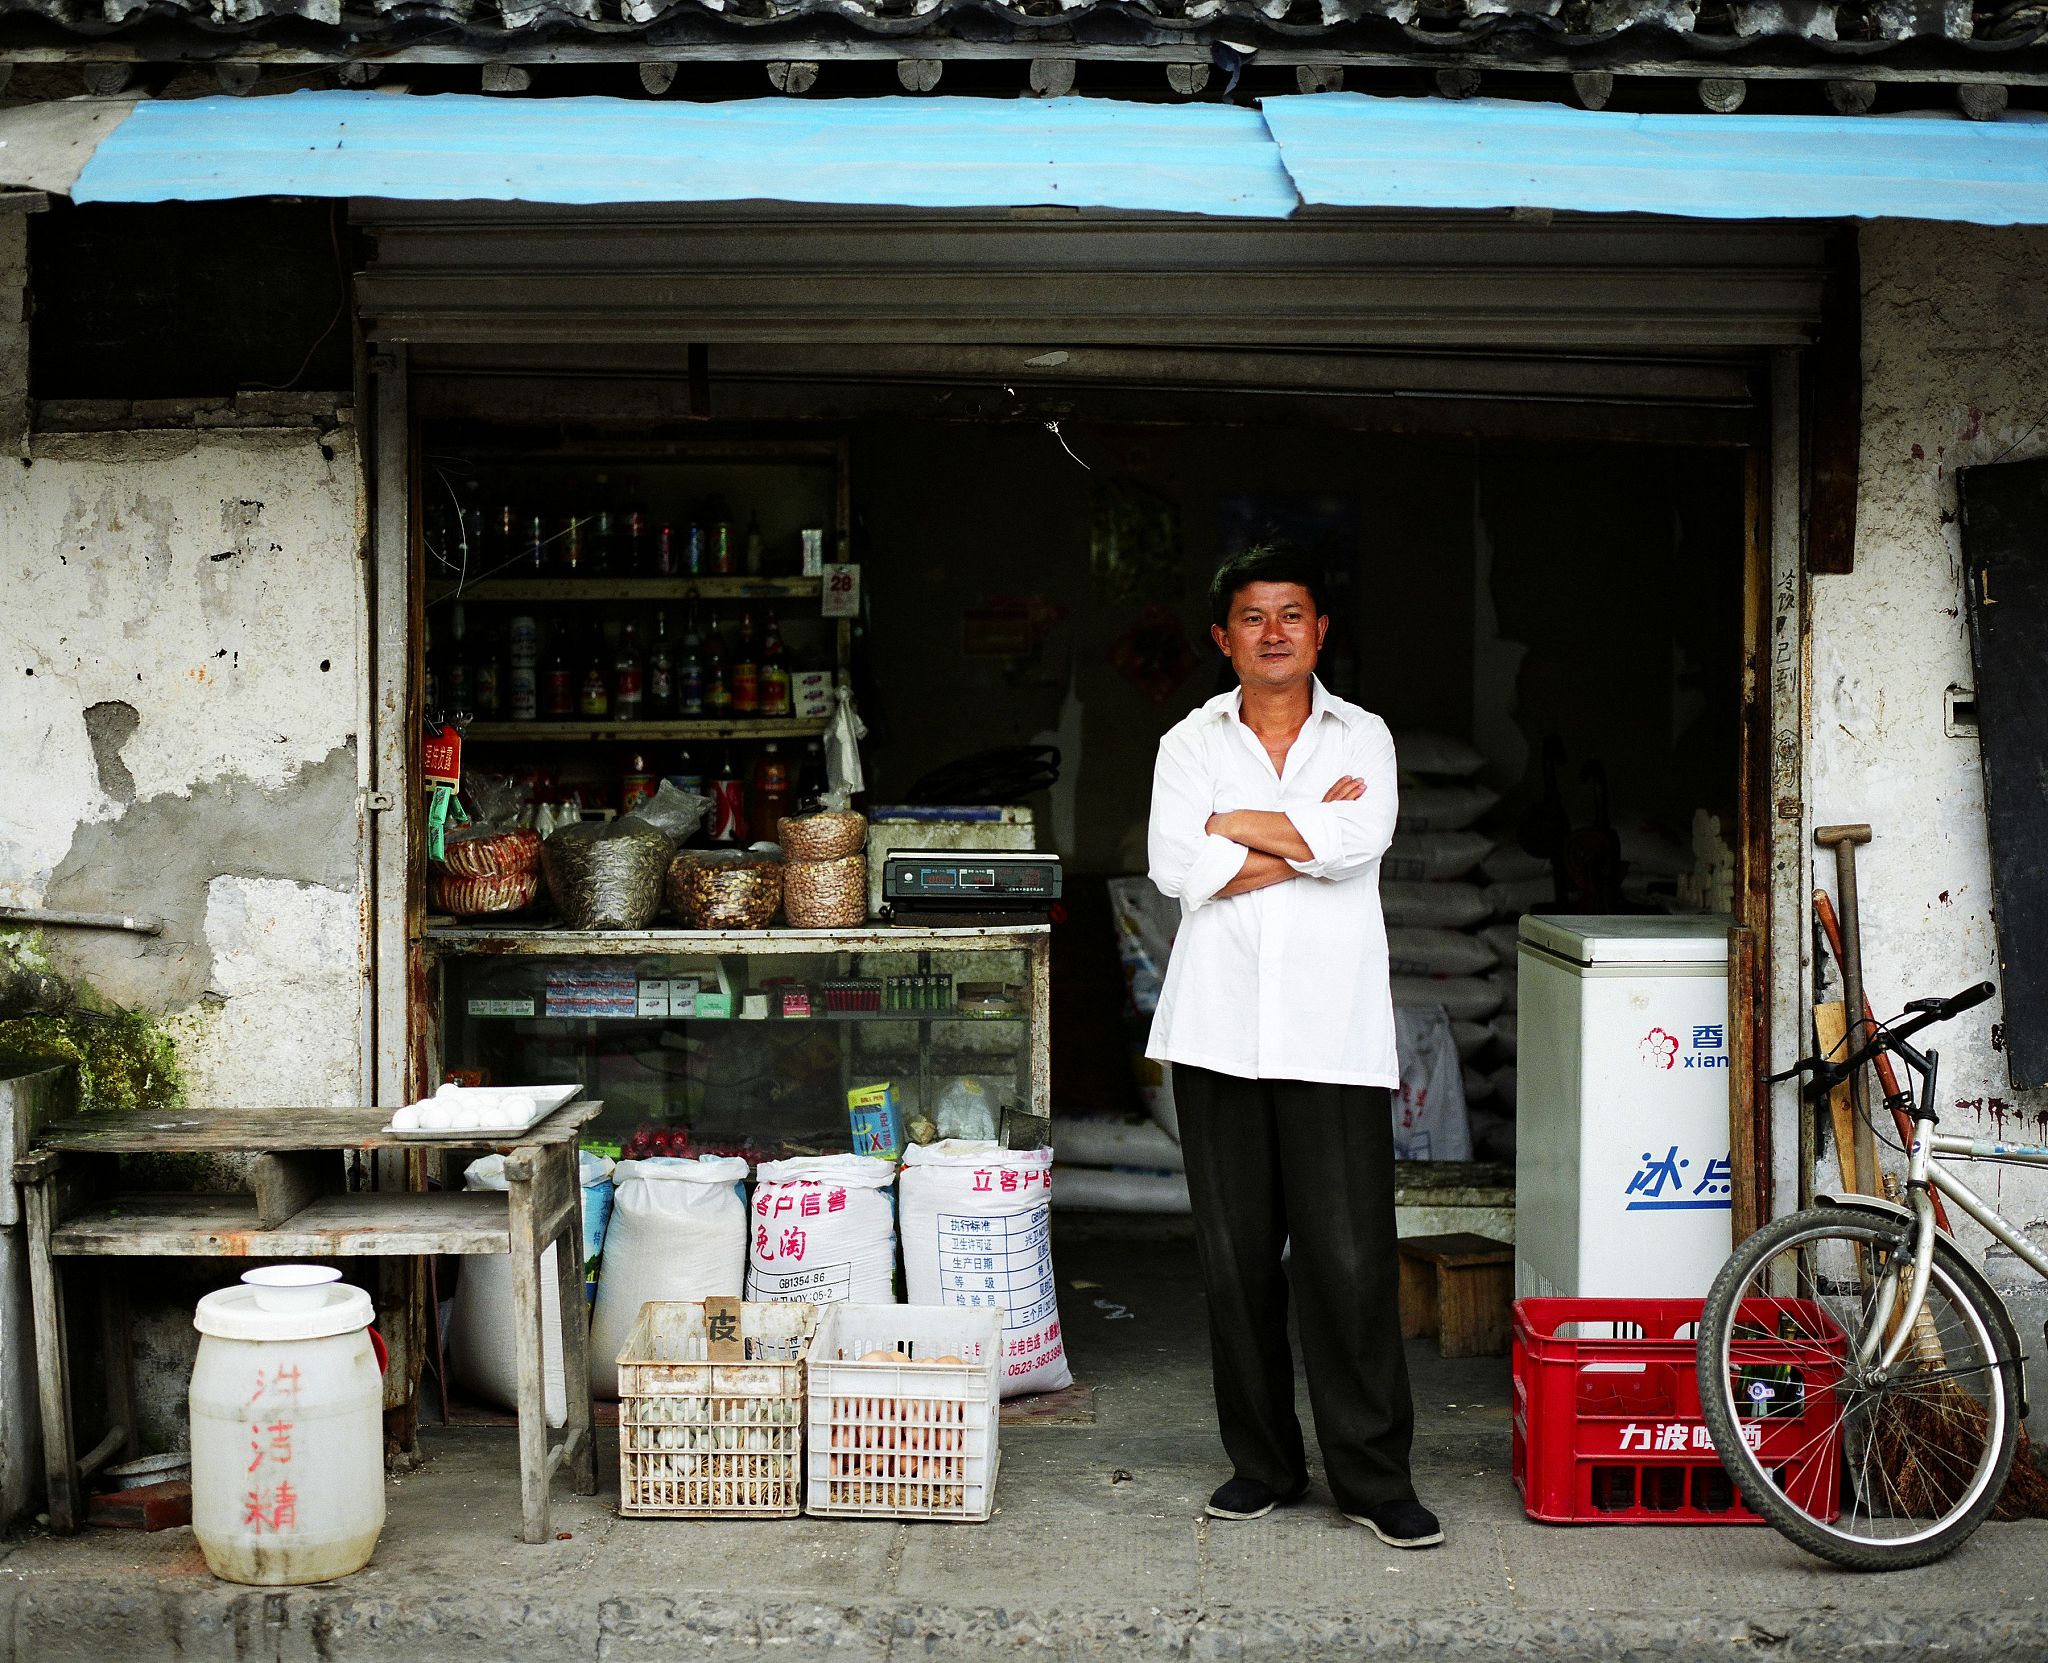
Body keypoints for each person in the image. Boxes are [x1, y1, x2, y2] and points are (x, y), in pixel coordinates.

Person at [1144, 544, 1442, 1549]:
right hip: (1215, 1032)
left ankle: (1373, 1477)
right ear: (1221, 638)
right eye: (1252, 616)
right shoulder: (1188, 741)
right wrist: (1301, 839)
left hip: (1330, 1033)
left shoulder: (1364, 735)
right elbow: (1177, 867)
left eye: (1291, 614)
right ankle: (1263, 1464)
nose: (1273, 632)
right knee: (1235, 1266)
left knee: (1348, 1263)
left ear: (1320, 631)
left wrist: (1234, 827)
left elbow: (1360, 841)